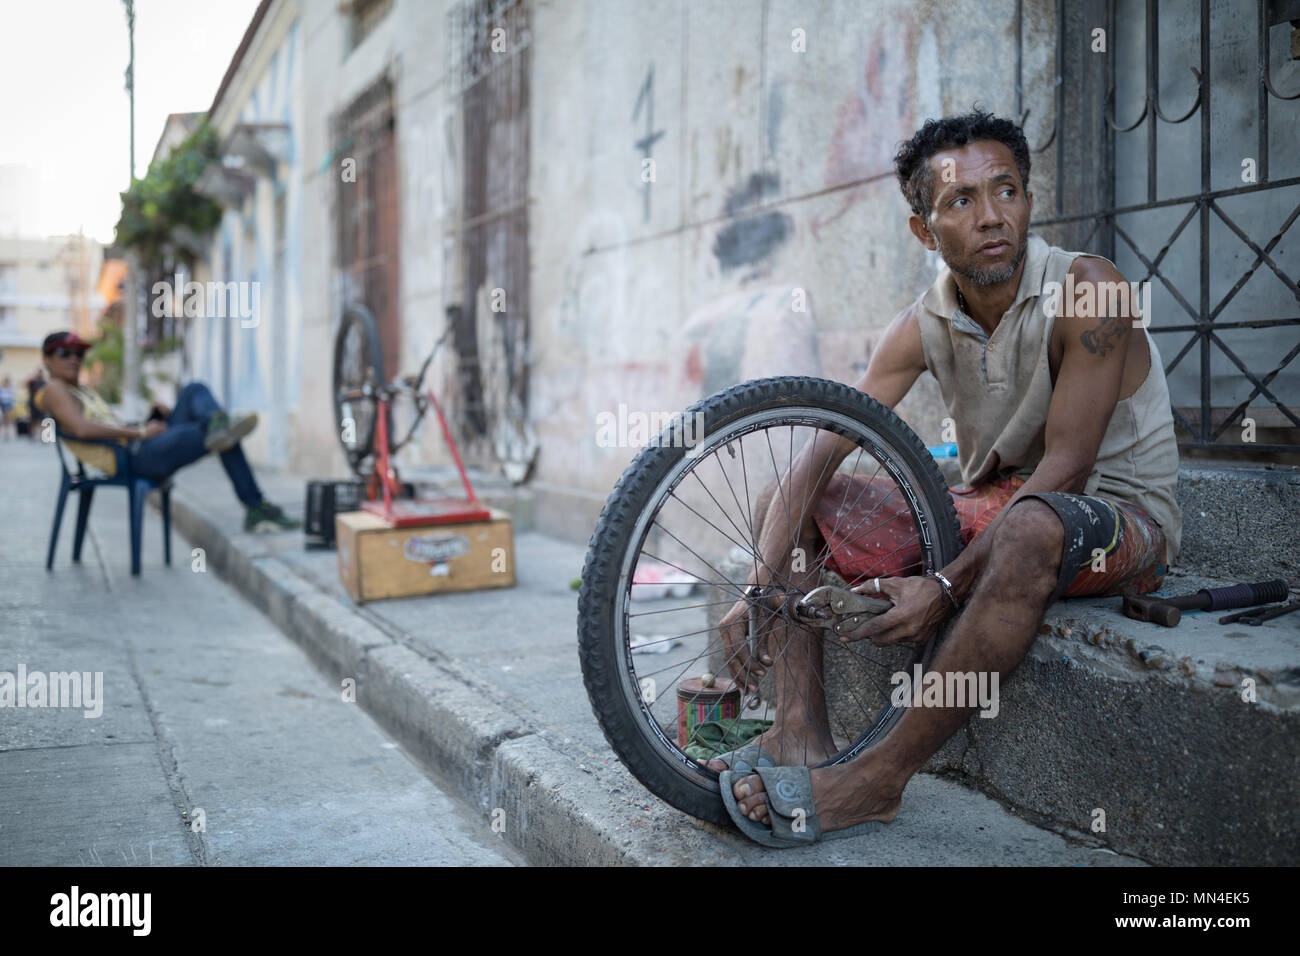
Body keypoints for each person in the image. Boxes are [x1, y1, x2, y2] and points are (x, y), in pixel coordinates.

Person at [710, 110, 1181, 844]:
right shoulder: (919, 324)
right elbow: (822, 453)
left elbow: (1069, 469)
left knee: (1031, 522)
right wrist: (762, 587)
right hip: (1000, 508)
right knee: (799, 495)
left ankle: (876, 781)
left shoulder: (1092, 290)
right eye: (961, 201)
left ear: (1029, 199)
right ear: (924, 232)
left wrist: (947, 585)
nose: (992, 216)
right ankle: (800, 733)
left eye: (1007, 191)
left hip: (1117, 521)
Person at [34, 331, 299, 533]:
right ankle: (254, 504)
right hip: (134, 458)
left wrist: (147, 420)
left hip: (139, 447)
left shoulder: (79, 390)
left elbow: (106, 425)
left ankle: (218, 424)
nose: (73, 359)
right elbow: (80, 428)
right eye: (64, 353)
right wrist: (139, 432)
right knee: (216, 433)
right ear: (47, 359)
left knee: (194, 390)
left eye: (78, 354)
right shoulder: (55, 388)